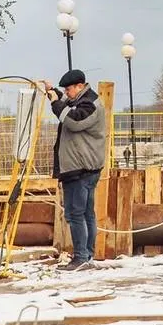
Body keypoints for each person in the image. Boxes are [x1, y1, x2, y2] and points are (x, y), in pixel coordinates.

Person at [42, 69, 107, 271]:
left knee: (75, 213)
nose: (66, 93)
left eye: (68, 89)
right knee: (87, 213)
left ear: (80, 86)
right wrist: (53, 92)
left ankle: (81, 258)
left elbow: (73, 119)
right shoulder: (83, 99)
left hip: (80, 168)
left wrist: (54, 103)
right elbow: (70, 105)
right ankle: (86, 255)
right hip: (85, 167)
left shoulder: (89, 104)